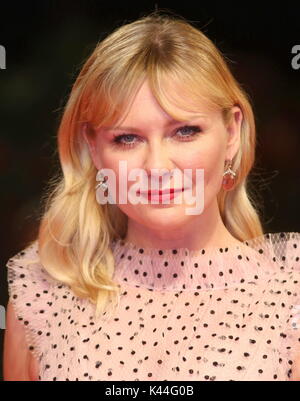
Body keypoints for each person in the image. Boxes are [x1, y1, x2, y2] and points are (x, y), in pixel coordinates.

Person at [3, 11, 300, 381]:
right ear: (93, 148)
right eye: (127, 138)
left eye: (185, 131)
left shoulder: (291, 292)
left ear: (232, 133)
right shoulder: (42, 295)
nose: (157, 167)